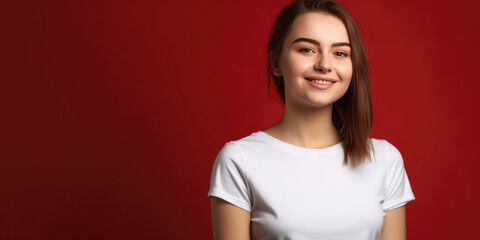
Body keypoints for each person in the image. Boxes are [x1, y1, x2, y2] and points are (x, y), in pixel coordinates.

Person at [207, 0, 415, 239]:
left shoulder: (385, 160)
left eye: (340, 53)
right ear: (276, 63)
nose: (325, 65)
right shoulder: (239, 160)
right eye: (307, 49)